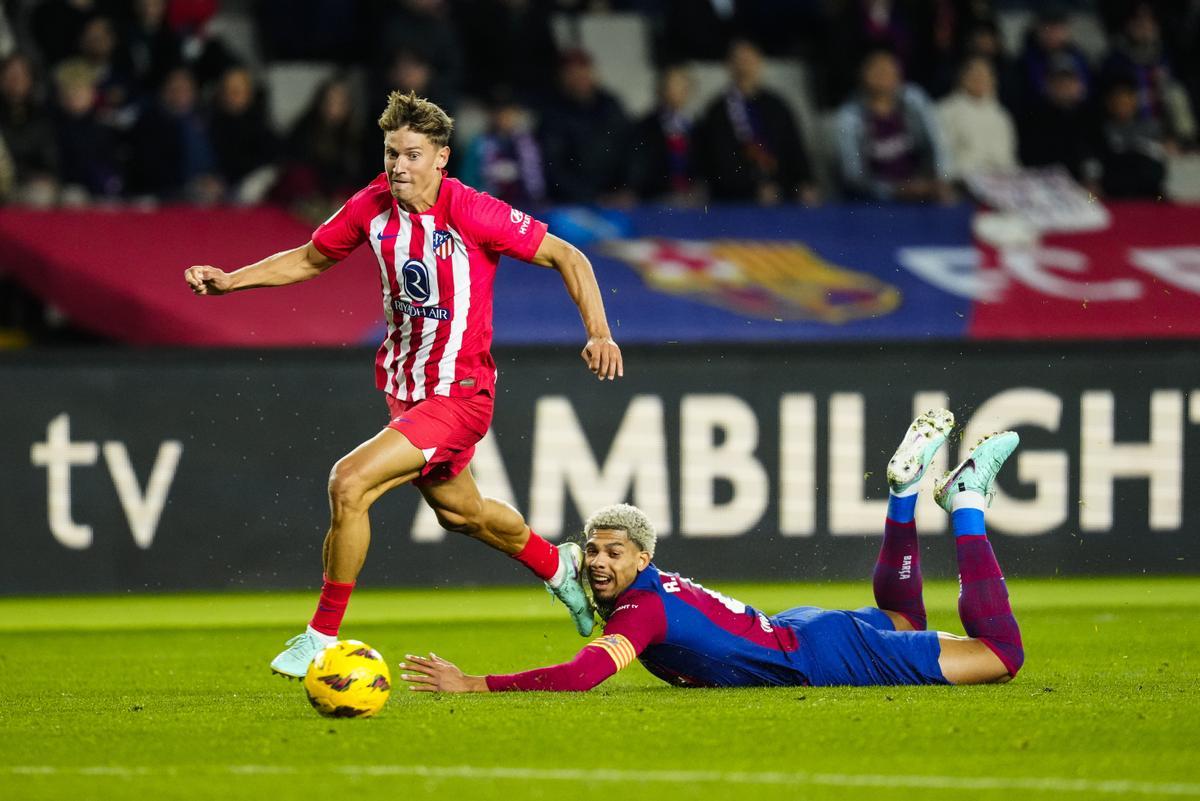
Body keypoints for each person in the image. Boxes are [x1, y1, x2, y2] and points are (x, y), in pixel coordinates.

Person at [183, 90, 623, 678]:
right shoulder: (371, 205)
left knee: (350, 482)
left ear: (442, 158)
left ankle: (320, 636)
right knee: (461, 513)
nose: (398, 166)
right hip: (407, 391)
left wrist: (599, 332)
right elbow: (313, 258)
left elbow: (571, 256)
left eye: (413, 155)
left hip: (460, 393)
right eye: (392, 153)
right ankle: (558, 566)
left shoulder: (472, 211)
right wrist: (231, 281)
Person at [399, 410, 1025, 692]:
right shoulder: (642, 590)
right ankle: (904, 495)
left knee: (1001, 655)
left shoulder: (641, 610)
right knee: (903, 621)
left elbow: (583, 675)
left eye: (613, 553)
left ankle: (965, 502)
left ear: (642, 560)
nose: (597, 561)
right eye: (592, 551)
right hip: (797, 631)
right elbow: (564, 580)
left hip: (817, 655)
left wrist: (474, 684)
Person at [694, 39, 818, 206]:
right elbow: (719, 161)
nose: (744, 67)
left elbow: (794, 148)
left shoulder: (777, 105)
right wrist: (752, 189)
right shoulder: (718, 111)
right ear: (729, 65)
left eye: (749, 60)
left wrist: (805, 182)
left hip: (783, 194)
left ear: (759, 62)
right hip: (736, 200)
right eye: (738, 61)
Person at [835, 49, 954, 203]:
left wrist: (940, 180)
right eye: (877, 70)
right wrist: (898, 190)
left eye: (889, 69)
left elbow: (936, 144)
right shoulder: (849, 117)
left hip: (923, 191)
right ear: (863, 75)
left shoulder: (914, 101)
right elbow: (853, 175)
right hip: (875, 201)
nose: (883, 73)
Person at [937, 56, 1018, 181]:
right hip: (963, 179)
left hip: (1003, 180)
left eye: (986, 75)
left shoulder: (1001, 115)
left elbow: (1009, 158)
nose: (980, 79)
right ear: (962, 78)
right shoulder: (946, 111)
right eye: (975, 74)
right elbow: (942, 158)